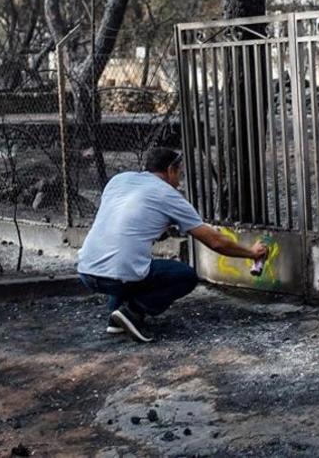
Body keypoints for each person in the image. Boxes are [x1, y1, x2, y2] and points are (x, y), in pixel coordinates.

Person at [77, 147, 267, 343]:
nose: (179, 181)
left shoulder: (119, 180)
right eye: (180, 173)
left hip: (86, 271)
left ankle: (115, 316)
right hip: (119, 274)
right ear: (170, 170)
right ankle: (133, 312)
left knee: (129, 262)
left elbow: (126, 224)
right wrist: (251, 253)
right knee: (184, 276)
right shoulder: (167, 194)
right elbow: (215, 241)